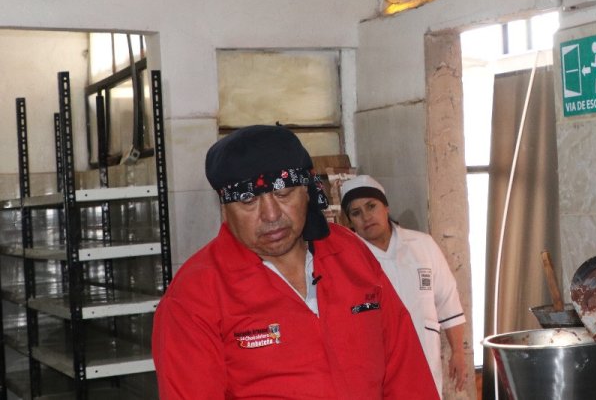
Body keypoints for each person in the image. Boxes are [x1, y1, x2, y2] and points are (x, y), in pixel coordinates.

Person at [152, 125, 437, 400]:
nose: (271, 214)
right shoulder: (194, 297)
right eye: (249, 201)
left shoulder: (350, 253)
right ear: (224, 206)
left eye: (283, 193)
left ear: (307, 189)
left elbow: (406, 370)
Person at [340, 175, 468, 398]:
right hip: (377, 363)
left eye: (371, 206)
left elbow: (448, 301)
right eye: (356, 213)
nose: (366, 217)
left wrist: (458, 351)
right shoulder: (348, 260)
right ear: (350, 221)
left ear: (386, 207)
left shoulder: (423, 245)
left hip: (425, 354)